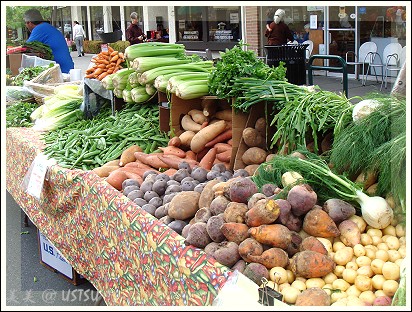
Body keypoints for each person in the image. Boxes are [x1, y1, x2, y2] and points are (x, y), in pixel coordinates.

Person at [23, 8, 74, 74]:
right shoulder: (47, 27)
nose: (26, 26)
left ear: (29, 22)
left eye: (25, 23)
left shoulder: (40, 29)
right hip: (66, 68)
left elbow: (25, 48)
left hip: (61, 70)